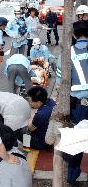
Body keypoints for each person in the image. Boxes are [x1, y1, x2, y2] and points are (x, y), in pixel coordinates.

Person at [56, 20, 88, 184]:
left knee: (78, 140)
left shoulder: (67, 54)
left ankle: (72, 177)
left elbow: (61, 82)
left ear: (74, 35)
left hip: (79, 105)